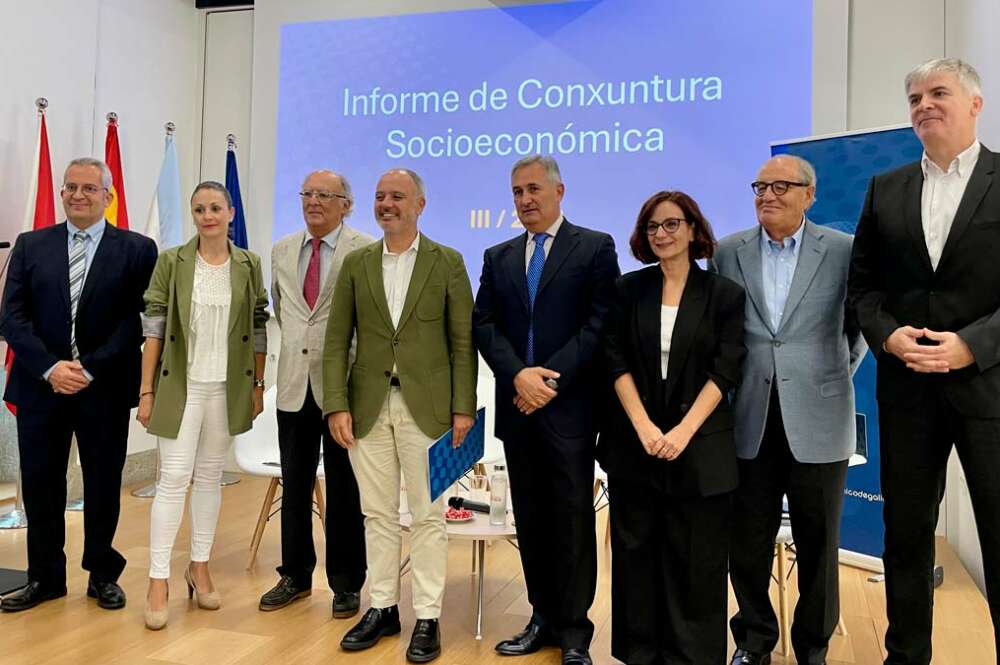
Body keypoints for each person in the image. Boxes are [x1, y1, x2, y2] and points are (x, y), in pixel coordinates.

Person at [848, 57, 1000, 665]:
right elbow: (863, 288)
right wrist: (888, 337)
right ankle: (905, 656)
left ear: (974, 103)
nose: (923, 105)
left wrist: (972, 344)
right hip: (906, 389)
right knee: (905, 538)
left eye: (938, 93)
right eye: (914, 97)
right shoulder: (885, 187)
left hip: (988, 387)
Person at [711, 155, 866, 665]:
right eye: (760, 187)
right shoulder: (729, 251)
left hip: (819, 415)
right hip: (750, 417)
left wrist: (832, 373)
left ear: (809, 194)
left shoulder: (843, 250)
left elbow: (857, 326)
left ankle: (812, 647)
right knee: (748, 540)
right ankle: (753, 641)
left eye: (781, 186)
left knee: (818, 542)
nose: (768, 195)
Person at [323, 168, 477, 663]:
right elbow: (334, 342)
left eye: (397, 197)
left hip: (430, 411)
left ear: (420, 204)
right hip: (366, 407)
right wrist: (336, 404)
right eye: (380, 197)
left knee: (429, 516)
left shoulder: (447, 262)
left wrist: (462, 409)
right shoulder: (355, 264)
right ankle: (384, 607)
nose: (387, 204)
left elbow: (462, 342)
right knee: (377, 513)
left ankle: (427, 615)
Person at [473, 155, 619, 665]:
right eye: (516, 192)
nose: (525, 199)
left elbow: (601, 324)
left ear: (560, 191)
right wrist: (519, 375)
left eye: (533, 189)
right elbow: (485, 324)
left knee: (573, 519)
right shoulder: (499, 255)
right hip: (518, 406)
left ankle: (576, 630)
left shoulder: (595, 247)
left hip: (570, 408)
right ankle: (542, 617)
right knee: (531, 519)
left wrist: (547, 378)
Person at [0, 157, 157, 613]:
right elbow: (12, 316)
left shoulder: (137, 249)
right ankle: (44, 579)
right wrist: (52, 367)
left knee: (103, 483)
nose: (77, 195)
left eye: (89, 188)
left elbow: (138, 320)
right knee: (41, 486)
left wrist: (88, 368)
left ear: (108, 196)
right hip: (39, 387)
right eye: (70, 187)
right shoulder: (31, 245)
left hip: (102, 387)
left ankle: (102, 574)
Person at [601, 190, 745, 665]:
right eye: (652, 228)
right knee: (636, 558)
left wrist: (682, 431)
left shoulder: (724, 294)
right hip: (634, 445)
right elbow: (614, 359)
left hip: (700, 447)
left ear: (692, 229)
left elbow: (726, 369)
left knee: (697, 564)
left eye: (670, 225)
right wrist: (642, 425)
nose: (661, 235)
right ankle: (640, 654)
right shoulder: (628, 289)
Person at [136, 181, 269, 629]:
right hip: (181, 386)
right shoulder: (172, 261)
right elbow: (153, 326)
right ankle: (158, 580)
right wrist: (146, 391)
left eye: (215, 207)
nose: (207, 215)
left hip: (226, 388)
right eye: (198, 209)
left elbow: (258, 324)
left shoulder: (249, 263)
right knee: (173, 479)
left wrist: (258, 384)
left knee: (211, 477)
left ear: (230, 212)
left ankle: (200, 566)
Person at [259, 170, 373, 616]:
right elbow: (286, 312)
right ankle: (294, 574)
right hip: (292, 384)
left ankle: (346, 582)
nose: (314, 202)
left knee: (345, 489)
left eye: (325, 195)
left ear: (347, 204)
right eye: (307, 193)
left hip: (342, 388)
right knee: (296, 481)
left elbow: (369, 320)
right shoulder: (283, 249)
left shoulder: (364, 249)